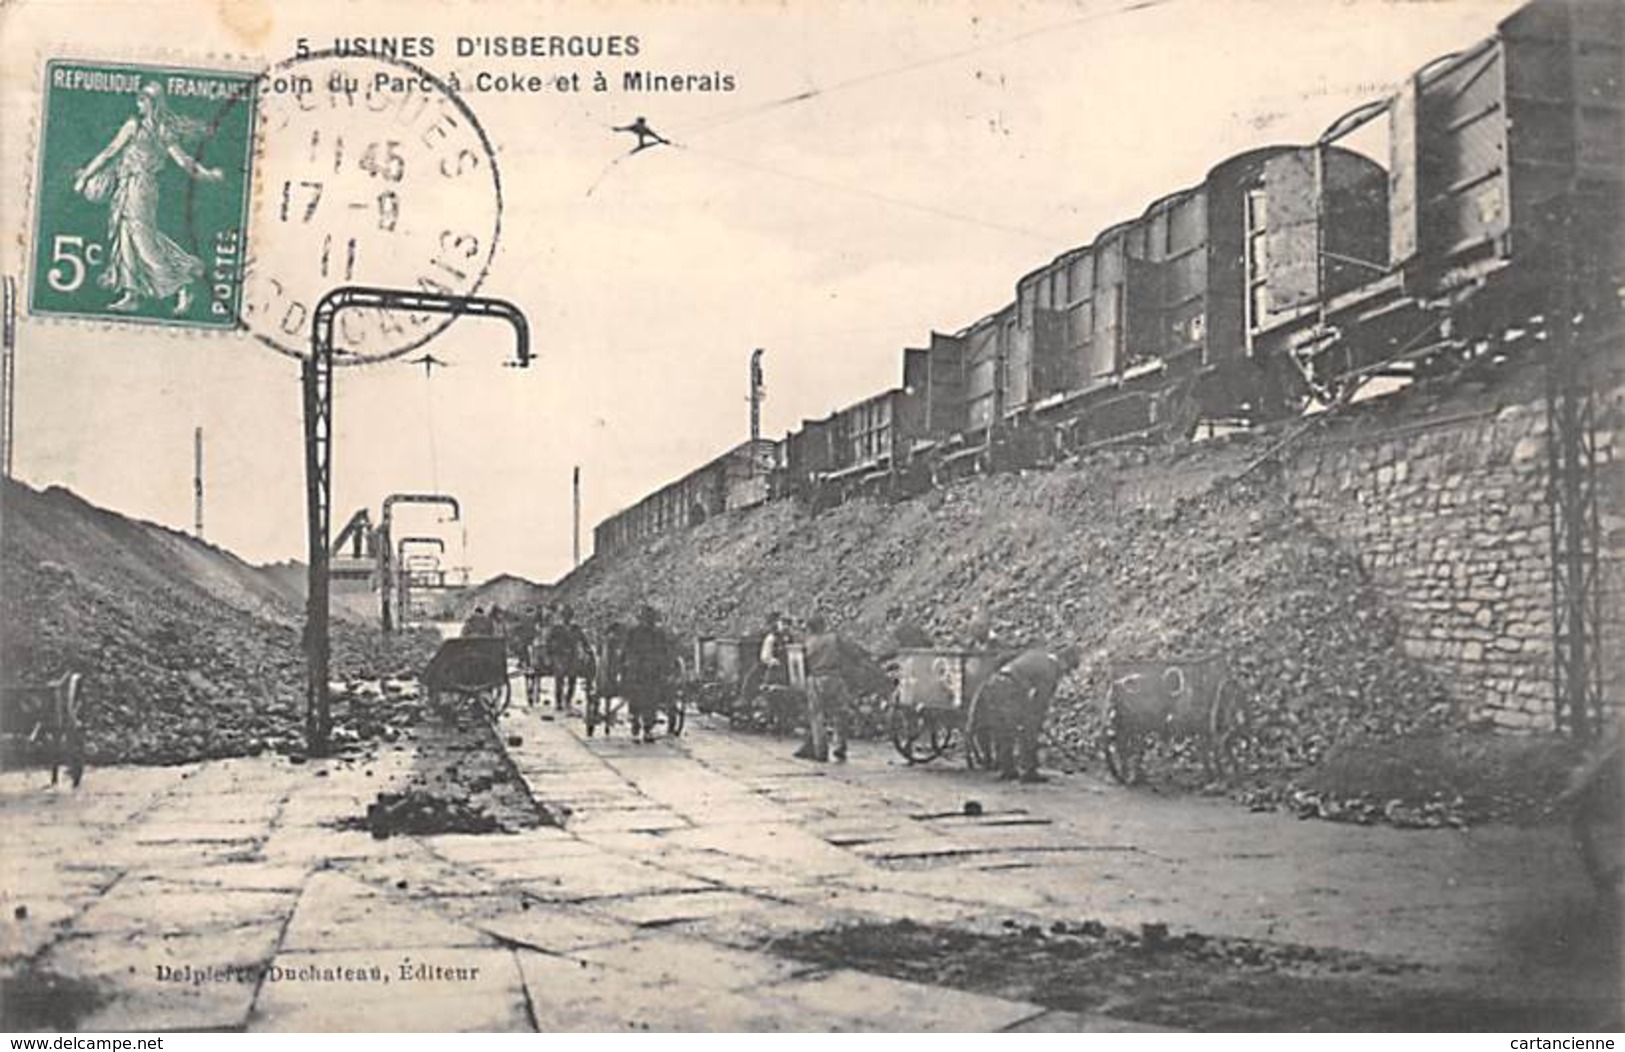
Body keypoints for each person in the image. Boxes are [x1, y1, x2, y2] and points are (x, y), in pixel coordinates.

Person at [72, 81, 224, 315]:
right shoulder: (139, 126)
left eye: (143, 100)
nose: (139, 104)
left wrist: (207, 175)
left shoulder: (159, 130)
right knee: (126, 237)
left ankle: (182, 285)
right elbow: (110, 151)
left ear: (153, 102)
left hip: (142, 188)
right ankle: (131, 294)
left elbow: (182, 160)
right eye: (138, 99)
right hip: (127, 185)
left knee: (143, 241)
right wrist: (87, 175)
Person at [970, 644, 1081, 783]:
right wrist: (1036, 721)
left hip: (995, 685)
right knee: (1028, 729)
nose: (1064, 674)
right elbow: (1040, 702)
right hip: (1011, 689)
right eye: (1068, 670)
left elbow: (1006, 660)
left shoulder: (1036, 653)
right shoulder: (1051, 670)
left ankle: (1007, 769)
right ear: (1065, 662)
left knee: (1004, 729)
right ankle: (1029, 771)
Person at [799, 613, 879, 763]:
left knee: (817, 716)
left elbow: (802, 664)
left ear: (810, 628)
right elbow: (852, 651)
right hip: (834, 678)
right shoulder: (833, 639)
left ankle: (820, 750)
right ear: (823, 626)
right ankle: (840, 747)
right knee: (840, 714)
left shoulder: (808, 643)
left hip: (815, 680)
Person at [621, 605, 678, 743]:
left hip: (653, 672)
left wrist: (666, 668)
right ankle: (636, 722)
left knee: (651, 700)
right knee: (636, 698)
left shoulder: (658, 633)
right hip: (637, 671)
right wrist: (625, 665)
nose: (647, 622)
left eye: (650, 619)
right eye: (646, 619)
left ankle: (647, 728)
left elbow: (665, 651)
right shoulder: (633, 632)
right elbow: (626, 649)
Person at [547, 605, 594, 712]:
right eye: (565, 616)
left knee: (572, 679)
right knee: (559, 679)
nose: (567, 618)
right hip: (560, 656)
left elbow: (583, 640)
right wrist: (550, 654)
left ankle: (568, 700)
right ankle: (559, 702)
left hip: (572, 656)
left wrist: (588, 650)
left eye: (569, 616)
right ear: (562, 616)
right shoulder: (556, 629)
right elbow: (548, 641)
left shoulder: (576, 629)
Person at [759, 613, 793, 688]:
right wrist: (773, 661)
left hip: (787, 670)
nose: (786, 627)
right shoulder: (771, 638)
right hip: (775, 671)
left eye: (788, 624)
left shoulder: (789, 637)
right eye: (783, 624)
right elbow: (764, 657)